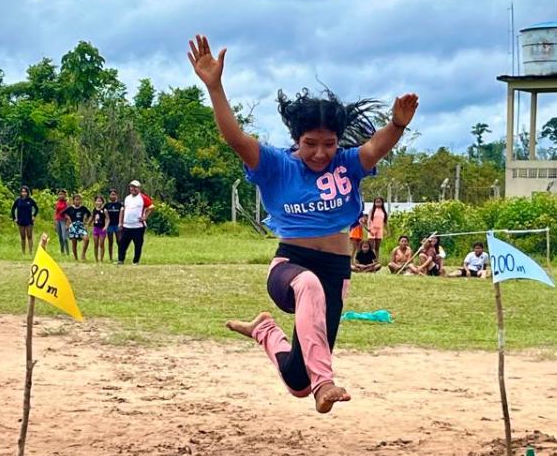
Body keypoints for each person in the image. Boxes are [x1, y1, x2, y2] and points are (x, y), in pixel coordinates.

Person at [189, 33, 417, 412]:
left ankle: (264, 330)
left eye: (329, 143)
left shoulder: (347, 164)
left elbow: (376, 146)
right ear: (297, 138)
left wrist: (396, 124)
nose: (320, 153)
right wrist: (215, 87)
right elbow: (235, 138)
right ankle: (325, 383)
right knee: (308, 287)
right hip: (290, 266)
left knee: (298, 380)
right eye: (311, 143)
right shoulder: (277, 166)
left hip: (336, 270)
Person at [117, 180, 153, 265]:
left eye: (135, 187)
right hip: (126, 225)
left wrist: (145, 217)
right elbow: (123, 210)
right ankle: (120, 260)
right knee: (122, 244)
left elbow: (151, 207)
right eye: (131, 187)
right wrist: (120, 222)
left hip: (138, 226)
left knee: (138, 245)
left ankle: (136, 261)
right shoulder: (127, 198)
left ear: (139, 188)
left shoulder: (143, 198)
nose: (133, 189)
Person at [11, 186, 38, 254]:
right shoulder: (18, 200)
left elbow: (36, 208)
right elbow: (13, 209)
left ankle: (30, 252)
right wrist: (14, 218)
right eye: (22, 192)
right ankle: (23, 252)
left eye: (25, 192)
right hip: (20, 220)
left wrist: (34, 216)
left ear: (27, 192)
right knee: (23, 237)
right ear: (20, 193)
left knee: (29, 236)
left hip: (29, 220)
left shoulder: (30, 200)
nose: (24, 193)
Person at [66, 193, 90, 260]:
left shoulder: (83, 208)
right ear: (73, 201)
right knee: (74, 243)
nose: (77, 201)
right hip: (73, 226)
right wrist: (68, 219)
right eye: (76, 200)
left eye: (79, 200)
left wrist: (86, 221)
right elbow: (62, 213)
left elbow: (89, 214)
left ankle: (83, 254)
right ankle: (76, 258)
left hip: (81, 225)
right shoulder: (70, 208)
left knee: (86, 239)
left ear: (81, 201)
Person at [102, 188, 121, 261]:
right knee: (110, 242)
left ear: (117, 195)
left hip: (117, 225)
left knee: (119, 241)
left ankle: (120, 257)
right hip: (109, 225)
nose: (113, 196)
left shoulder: (120, 205)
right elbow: (103, 214)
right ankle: (110, 257)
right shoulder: (107, 205)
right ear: (109, 196)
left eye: (114, 194)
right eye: (111, 194)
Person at [53, 189, 69, 255]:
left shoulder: (67, 203)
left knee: (64, 237)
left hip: (64, 220)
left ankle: (67, 252)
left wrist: (68, 223)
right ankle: (62, 251)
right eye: (59, 194)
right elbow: (55, 213)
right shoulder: (57, 203)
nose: (60, 196)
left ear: (65, 195)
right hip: (58, 220)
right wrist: (55, 222)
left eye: (62, 194)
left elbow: (69, 213)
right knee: (60, 237)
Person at [90, 195, 106, 262]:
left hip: (102, 228)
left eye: (100, 201)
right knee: (95, 244)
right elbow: (92, 218)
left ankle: (101, 259)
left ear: (102, 202)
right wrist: (87, 224)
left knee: (101, 244)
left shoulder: (104, 210)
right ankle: (96, 259)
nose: (98, 202)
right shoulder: (94, 210)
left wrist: (106, 226)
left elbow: (108, 219)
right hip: (95, 228)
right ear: (95, 202)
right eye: (97, 201)